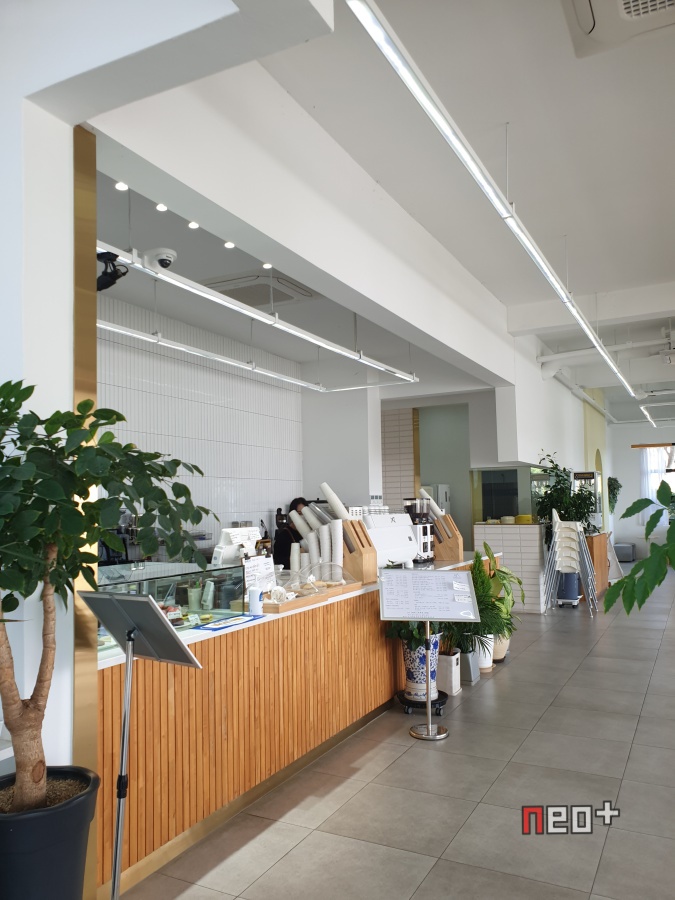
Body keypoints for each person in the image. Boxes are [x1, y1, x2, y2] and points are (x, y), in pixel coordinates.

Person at [273, 497, 307, 569]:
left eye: (305, 513)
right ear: (292, 514)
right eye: (299, 513)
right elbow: (278, 562)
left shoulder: (308, 533)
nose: (302, 516)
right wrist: (296, 555)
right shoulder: (283, 536)